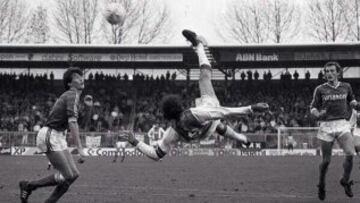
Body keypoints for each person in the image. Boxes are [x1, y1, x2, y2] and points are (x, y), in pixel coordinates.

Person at [124, 29, 269, 161]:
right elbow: (224, 112)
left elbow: (156, 155)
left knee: (218, 126)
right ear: (179, 106)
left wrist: (134, 141)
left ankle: (242, 139)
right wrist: (251, 108)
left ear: (168, 116)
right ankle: (199, 46)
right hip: (208, 116)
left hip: (203, 134)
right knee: (204, 77)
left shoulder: (171, 132)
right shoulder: (193, 114)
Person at [19, 67, 90, 203]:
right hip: (50, 134)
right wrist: (80, 148)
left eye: (81, 76)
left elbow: (79, 123)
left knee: (74, 175)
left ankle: (34, 190)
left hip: (58, 136)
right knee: (68, 175)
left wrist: (88, 108)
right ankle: (28, 186)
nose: (81, 78)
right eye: (77, 77)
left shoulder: (73, 96)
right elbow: (73, 123)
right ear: (69, 83)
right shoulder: (71, 94)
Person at [310, 61, 360, 200]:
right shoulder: (320, 89)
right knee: (326, 161)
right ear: (324, 74)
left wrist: (357, 105)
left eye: (332, 71)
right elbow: (313, 107)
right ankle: (321, 184)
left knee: (350, 154)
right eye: (327, 71)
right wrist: (317, 114)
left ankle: (345, 181)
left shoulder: (346, 87)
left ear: (338, 72)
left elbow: (352, 102)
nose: (329, 74)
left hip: (342, 124)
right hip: (326, 126)